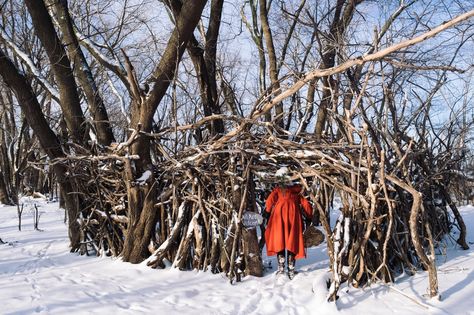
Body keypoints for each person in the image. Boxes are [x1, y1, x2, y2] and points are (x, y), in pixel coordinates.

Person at [263, 182, 313, 279]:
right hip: (294, 217)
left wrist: (267, 212)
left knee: (279, 239)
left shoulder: (278, 189)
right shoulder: (297, 191)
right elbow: (306, 204)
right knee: (292, 241)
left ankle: (281, 267)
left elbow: (269, 201)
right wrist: (309, 216)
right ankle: (291, 268)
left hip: (279, 216)